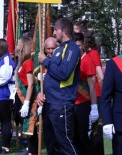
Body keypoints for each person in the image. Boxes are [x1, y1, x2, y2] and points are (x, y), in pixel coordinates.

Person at [36, 18, 82, 155]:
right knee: (51, 142)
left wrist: (46, 61)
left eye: (56, 29)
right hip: (49, 102)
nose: (54, 32)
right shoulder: (58, 49)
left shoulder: (72, 49)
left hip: (61, 103)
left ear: (65, 30)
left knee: (65, 142)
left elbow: (64, 73)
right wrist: (40, 92)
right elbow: (50, 76)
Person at [74, 32, 100, 155]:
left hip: (83, 103)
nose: (77, 48)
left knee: (84, 137)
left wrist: (94, 107)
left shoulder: (87, 61)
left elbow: (92, 85)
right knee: (74, 138)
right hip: (72, 103)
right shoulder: (72, 60)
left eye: (79, 45)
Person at [14, 37, 39, 155]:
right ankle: (30, 150)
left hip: (27, 98)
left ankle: (32, 152)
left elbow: (30, 84)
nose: (16, 46)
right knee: (25, 126)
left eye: (18, 44)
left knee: (30, 127)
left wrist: (27, 103)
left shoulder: (28, 62)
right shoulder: (22, 62)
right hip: (21, 98)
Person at [0, 39, 16, 154]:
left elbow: (2, 80)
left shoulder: (6, 60)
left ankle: (6, 147)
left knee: (6, 122)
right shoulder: (1, 59)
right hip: (0, 95)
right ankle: (4, 145)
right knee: (3, 121)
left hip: (6, 95)